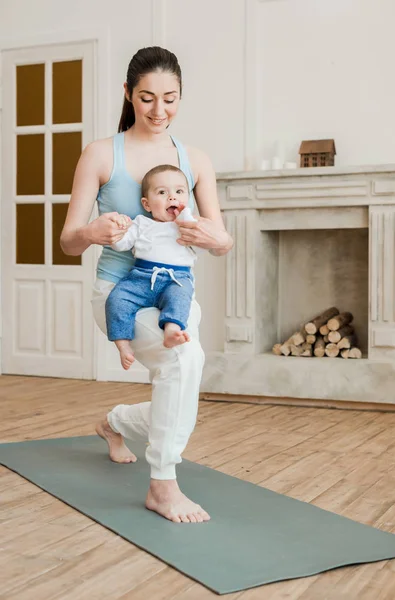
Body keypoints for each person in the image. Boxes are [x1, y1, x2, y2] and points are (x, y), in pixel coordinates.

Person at [60, 46, 233, 524]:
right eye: (147, 98)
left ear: (181, 97)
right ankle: (163, 484)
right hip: (121, 291)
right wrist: (91, 233)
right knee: (185, 359)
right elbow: (68, 241)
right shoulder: (100, 154)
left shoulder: (194, 159)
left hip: (177, 291)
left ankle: (114, 423)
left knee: (181, 376)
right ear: (128, 95)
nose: (160, 111)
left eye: (171, 99)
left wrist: (215, 236)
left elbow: (221, 239)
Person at [106, 164, 197, 370]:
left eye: (179, 192)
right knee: (117, 299)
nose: (172, 197)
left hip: (177, 278)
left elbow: (200, 246)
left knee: (180, 298)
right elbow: (120, 245)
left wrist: (186, 218)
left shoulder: (187, 226)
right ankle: (123, 345)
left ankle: (172, 331)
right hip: (140, 276)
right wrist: (119, 227)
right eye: (163, 192)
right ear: (147, 204)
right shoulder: (141, 223)